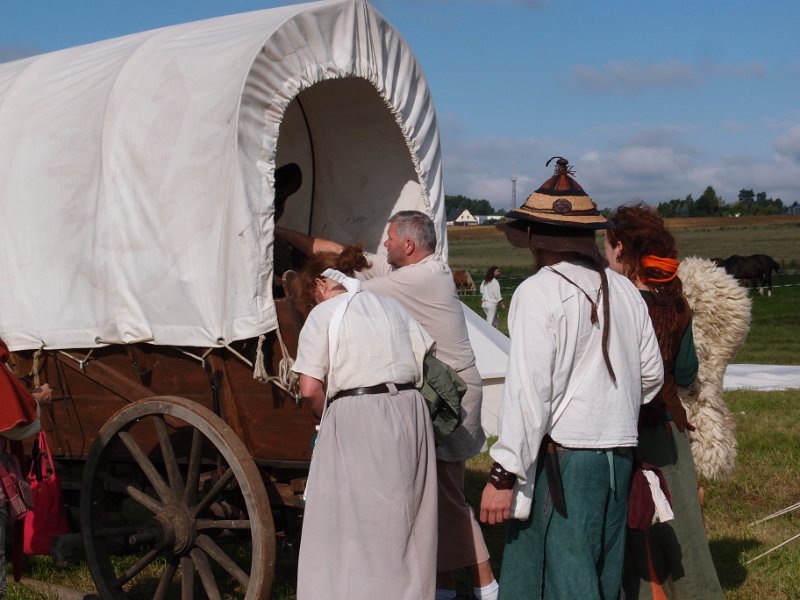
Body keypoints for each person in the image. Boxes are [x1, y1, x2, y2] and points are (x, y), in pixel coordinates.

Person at [277, 211, 499, 600]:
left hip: (447, 394)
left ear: (409, 246)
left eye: (390, 238)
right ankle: (442, 588)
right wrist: (279, 231)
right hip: (429, 388)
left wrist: (319, 281)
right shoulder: (408, 271)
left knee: (443, 499)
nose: (385, 244)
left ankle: (487, 587)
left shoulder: (420, 279)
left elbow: (346, 284)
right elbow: (340, 254)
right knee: (434, 495)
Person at [479, 157, 664, 599]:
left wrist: (502, 476)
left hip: (565, 464)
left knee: (565, 583)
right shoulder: (626, 290)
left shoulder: (537, 291)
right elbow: (651, 377)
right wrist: (608, 411)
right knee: (600, 575)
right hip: (619, 457)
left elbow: (529, 395)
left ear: (533, 237)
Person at [292, 245, 438, 600]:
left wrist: (324, 416)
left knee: (354, 517)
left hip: (359, 413)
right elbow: (426, 356)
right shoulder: (390, 304)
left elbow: (310, 388)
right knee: (407, 521)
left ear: (320, 285)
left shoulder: (324, 313)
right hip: (411, 409)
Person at [605, 203, 724, 600]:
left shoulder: (615, 302)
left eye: (608, 246)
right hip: (670, 428)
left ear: (621, 249)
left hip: (626, 429)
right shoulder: (677, 302)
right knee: (682, 527)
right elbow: (688, 373)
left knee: (632, 521)